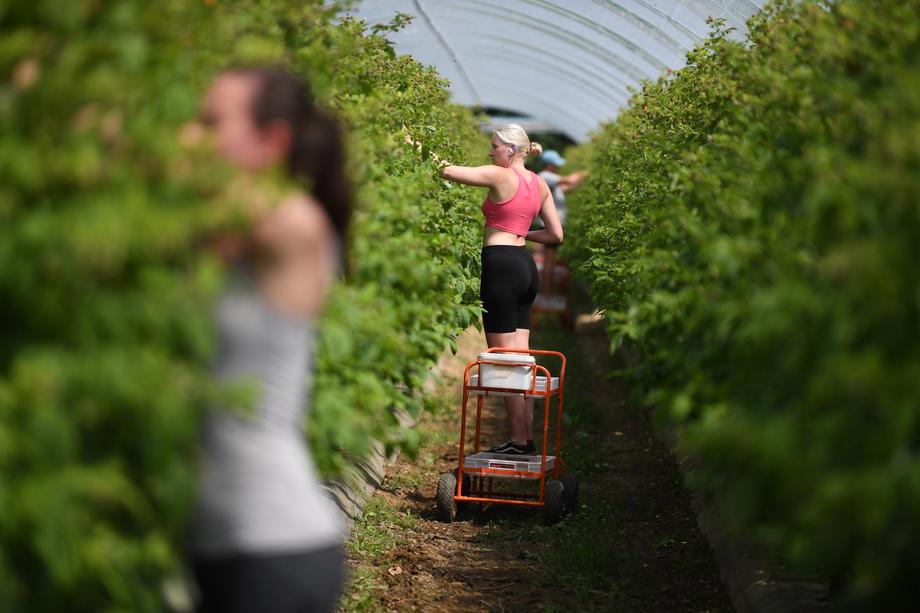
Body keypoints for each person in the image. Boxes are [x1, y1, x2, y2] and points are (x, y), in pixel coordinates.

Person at [190, 66, 351, 613]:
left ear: (273, 140)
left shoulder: (296, 227)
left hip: (273, 552)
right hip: (207, 546)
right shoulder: (218, 237)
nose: (190, 137)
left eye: (210, 123)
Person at [441, 124, 564, 455]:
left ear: (511, 150)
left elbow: (447, 171)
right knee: (521, 358)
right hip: (524, 267)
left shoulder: (499, 176)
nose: (490, 152)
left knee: (503, 361)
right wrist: (522, 233)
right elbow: (556, 235)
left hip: (501, 267)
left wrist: (415, 145)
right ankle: (524, 440)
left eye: (494, 146)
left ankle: (519, 439)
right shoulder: (539, 184)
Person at [537, 150, 584, 297]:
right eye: (555, 164)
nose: (557, 167)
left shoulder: (551, 180)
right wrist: (586, 172)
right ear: (549, 164)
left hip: (551, 224)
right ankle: (546, 293)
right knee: (549, 260)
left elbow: (565, 187)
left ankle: (546, 291)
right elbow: (568, 180)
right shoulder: (546, 176)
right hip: (550, 225)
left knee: (550, 259)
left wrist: (578, 181)